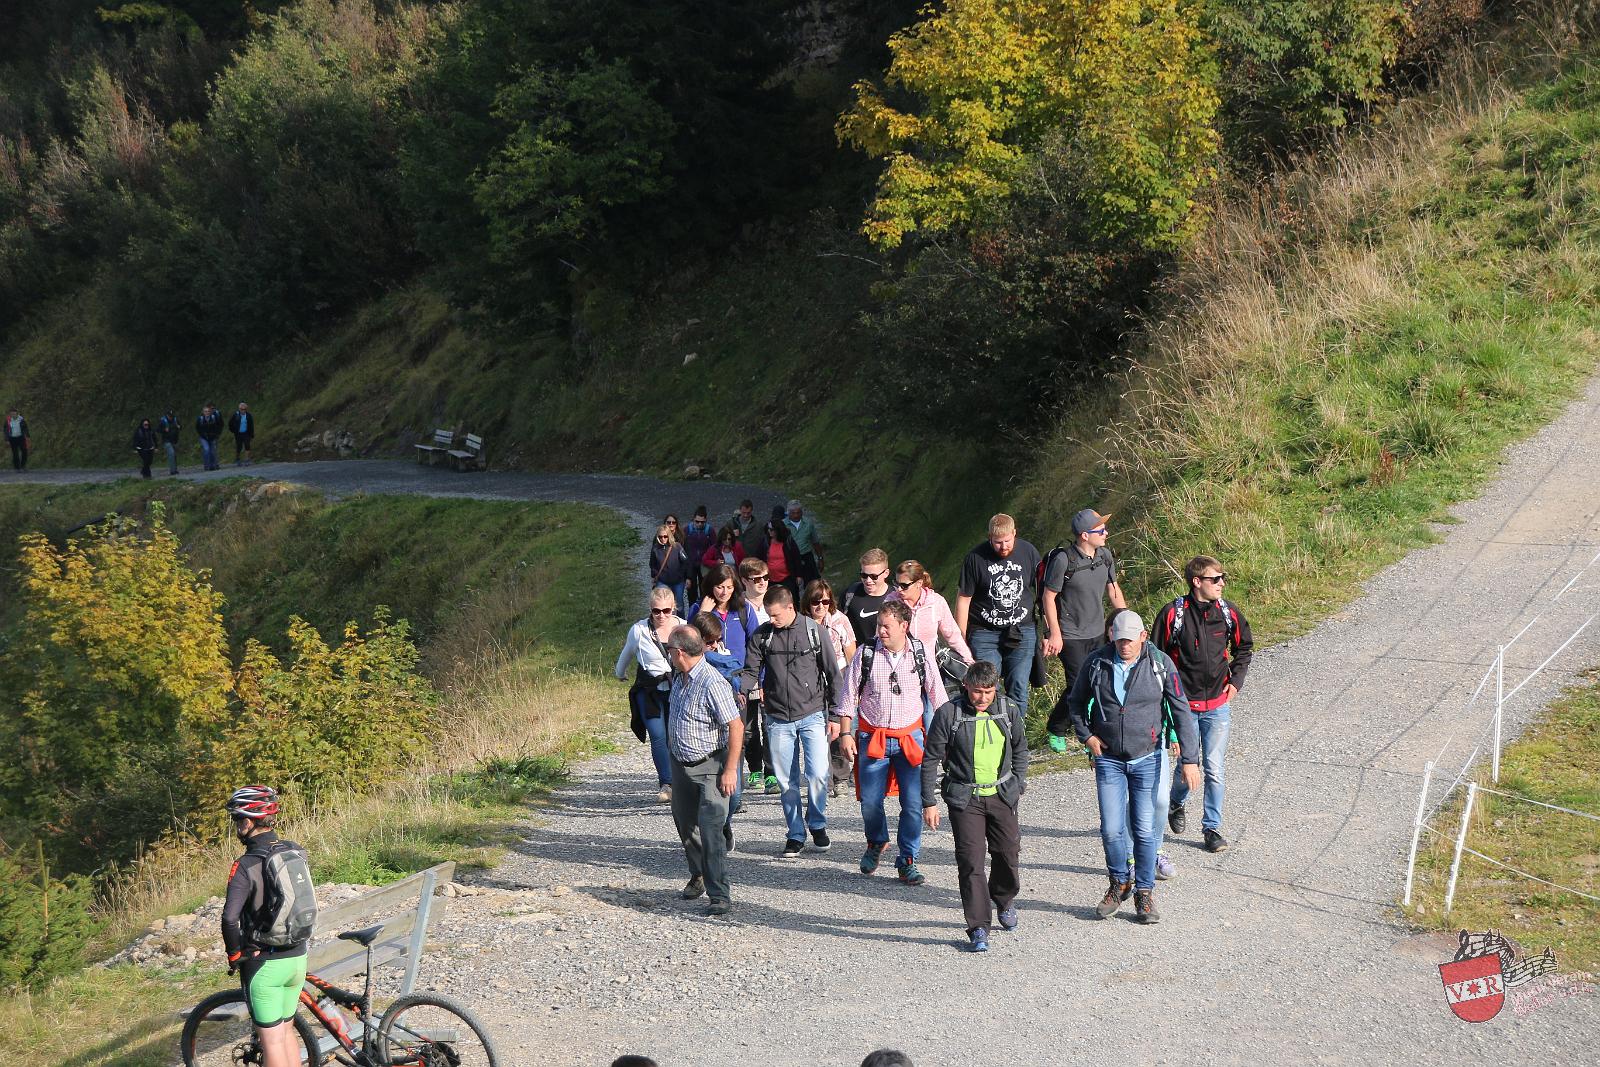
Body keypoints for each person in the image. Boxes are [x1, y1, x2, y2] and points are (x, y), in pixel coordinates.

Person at [1066, 611, 1201, 925]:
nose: (1124, 645)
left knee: (1143, 829)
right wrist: (1087, 737)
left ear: (1143, 637)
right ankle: (1119, 883)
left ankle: (1144, 892)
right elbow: (1075, 702)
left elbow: (1180, 710)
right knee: (1111, 829)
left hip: (1147, 758)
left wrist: (1190, 760)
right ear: (1111, 636)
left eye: (1130, 639)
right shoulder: (1096, 663)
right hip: (1109, 759)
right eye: (1119, 639)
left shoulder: (1160, 664)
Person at [838, 599, 947, 885]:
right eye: (878, 625)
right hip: (872, 737)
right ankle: (876, 841)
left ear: (904, 626)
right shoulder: (865, 653)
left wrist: (948, 736)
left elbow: (939, 697)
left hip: (910, 739)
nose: (881, 631)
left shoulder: (921, 654)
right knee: (869, 801)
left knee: (913, 803)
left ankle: (907, 860)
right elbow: (848, 696)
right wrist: (846, 733)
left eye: (886, 626)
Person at [921, 661, 1027, 952]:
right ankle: (979, 926)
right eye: (977, 691)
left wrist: (1018, 783)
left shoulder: (1008, 710)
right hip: (964, 798)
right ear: (966, 686)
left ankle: (1004, 898)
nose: (982, 698)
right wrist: (929, 802)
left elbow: (1020, 747)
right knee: (970, 862)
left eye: (988, 692)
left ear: (996, 688)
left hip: (1002, 794)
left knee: (1008, 853)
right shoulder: (948, 713)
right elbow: (930, 759)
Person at [1152, 555, 1254, 854]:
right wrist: (1166, 704)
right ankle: (1176, 801)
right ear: (1197, 582)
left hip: (1218, 705)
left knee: (1215, 768)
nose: (1222, 583)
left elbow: (1245, 647)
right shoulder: (1173, 614)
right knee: (1188, 765)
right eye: (1215, 579)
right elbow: (1155, 658)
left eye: (1223, 577)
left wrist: (1236, 681)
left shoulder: (1227, 612)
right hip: (1183, 707)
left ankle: (1212, 829)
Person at [740, 584, 842, 858]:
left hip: (813, 714)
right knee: (786, 781)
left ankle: (817, 823)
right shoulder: (762, 635)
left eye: (776, 615)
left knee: (818, 774)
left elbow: (833, 675)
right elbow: (751, 671)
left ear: (790, 608)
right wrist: (740, 692)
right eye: (768, 615)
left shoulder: (814, 632)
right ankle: (795, 834)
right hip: (777, 718)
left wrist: (835, 715)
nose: (772, 620)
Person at [220, 786, 310, 1067]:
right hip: (297, 958)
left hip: (265, 965)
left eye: (237, 819)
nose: (236, 825)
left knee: (271, 1042)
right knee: (286, 1033)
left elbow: (229, 919)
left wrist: (235, 955)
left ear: (248, 821)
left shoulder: (246, 864)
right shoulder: (295, 850)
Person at [665, 626, 744, 916]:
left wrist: (730, 770)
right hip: (681, 764)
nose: (668, 654)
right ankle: (698, 874)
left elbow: (736, 726)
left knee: (711, 831)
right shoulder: (679, 676)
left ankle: (719, 895)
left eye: (669, 650)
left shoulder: (712, 682)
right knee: (686, 825)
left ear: (679, 652)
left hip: (711, 767)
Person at [1042, 508, 1127, 751]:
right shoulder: (1063, 561)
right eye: (1101, 530)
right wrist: (1055, 633)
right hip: (1071, 635)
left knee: (1101, 681)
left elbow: (1113, 589)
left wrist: (1125, 621)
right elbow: (1049, 597)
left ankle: (1094, 729)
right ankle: (1059, 728)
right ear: (1084, 535)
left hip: (1098, 631)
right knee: (1079, 684)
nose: (1106, 533)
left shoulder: (1105, 555)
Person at [955, 514, 1042, 709]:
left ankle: (1016, 727)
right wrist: (960, 639)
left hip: (1022, 629)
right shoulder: (975, 559)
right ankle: (994, 725)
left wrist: (1049, 630)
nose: (1003, 547)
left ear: (1014, 533)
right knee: (988, 687)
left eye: (1007, 541)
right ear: (989, 537)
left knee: (1019, 686)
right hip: (984, 632)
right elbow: (963, 600)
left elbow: (1042, 591)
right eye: (998, 542)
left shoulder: (1028, 551)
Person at [615, 587, 683, 802]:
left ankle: (681, 781)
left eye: (666, 610)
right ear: (650, 610)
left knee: (675, 736)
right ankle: (667, 783)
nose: (661, 615)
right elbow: (627, 653)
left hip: (676, 690)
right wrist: (620, 673)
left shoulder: (683, 628)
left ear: (674, 608)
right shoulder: (639, 630)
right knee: (658, 736)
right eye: (656, 611)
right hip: (648, 691)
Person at [802, 579, 857, 798]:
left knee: (838, 725)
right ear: (808, 602)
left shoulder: (839, 620)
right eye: (816, 601)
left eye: (825, 601)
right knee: (817, 731)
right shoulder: (801, 623)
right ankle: (824, 779)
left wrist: (855, 685)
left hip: (838, 677)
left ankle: (841, 777)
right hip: (811, 681)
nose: (821, 606)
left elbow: (851, 654)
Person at [888, 559, 973, 669]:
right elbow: (881, 635)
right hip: (898, 667)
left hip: (929, 667)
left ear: (919, 583)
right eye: (896, 583)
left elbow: (953, 635)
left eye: (904, 585)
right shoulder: (891, 602)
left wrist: (969, 662)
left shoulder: (936, 602)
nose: (899, 589)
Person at [735, 558, 775, 791]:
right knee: (749, 727)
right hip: (748, 674)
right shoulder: (740, 606)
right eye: (756, 579)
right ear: (744, 581)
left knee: (770, 725)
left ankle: (771, 773)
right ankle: (755, 769)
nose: (762, 582)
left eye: (766, 577)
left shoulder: (776, 602)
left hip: (773, 675)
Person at [842, 548, 893, 646]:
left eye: (874, 576)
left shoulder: (896, 597)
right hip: (859, 653)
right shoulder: (850, 594)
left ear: (886, 573)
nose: (868, 580)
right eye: (864, 575)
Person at [649, 523, 692, 614]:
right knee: (662, 604)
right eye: (660, 537)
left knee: (679, 605)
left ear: (669, 536)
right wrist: (654, 575)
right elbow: (652, 564)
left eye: (665, 536)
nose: (663, 539)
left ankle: (681, 621)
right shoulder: (655, 549)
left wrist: (684, 576)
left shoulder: (677, 547)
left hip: (678, 581)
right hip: (662, 581)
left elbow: (686, 562)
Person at [758, 513, 801, 601]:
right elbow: (759, 557)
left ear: (778, 530)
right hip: (770, 579)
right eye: (768, 529)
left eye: (771, 530)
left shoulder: (788, 541)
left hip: (787, 578)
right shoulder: (765, 542)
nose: (769, 531)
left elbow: (796, 558)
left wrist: (798, 575)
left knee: (789, 600)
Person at [784, 499, 823, 588]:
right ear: (788, 513)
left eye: (798, 513)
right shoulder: (783, 525)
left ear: (802, 512)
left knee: (813, 584)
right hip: (790, 558)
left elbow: (815, 542)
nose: (796, 515)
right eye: (793, 513)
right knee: (791, 585)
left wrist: (820, 558)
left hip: (806, 556)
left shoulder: (808, 523)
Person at [682, 506, 717, 595]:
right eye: (697, 521)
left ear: (706, 520)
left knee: (705, 589)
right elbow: (682, 547)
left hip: (704, 564)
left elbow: (715, 548)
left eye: (702, 522)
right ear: (693, 519)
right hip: (691, 564)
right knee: (691, 591)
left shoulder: (710, 531)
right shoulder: (687, 530)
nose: (699, 524)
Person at [196, 403, 223, 471]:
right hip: (203, 437)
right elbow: (198, 428)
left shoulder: (213, 418)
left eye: (208, 411)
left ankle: (213, 465)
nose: (207, 413)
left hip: (212, 437)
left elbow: (218, 426)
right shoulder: (200, 419)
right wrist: (203, 435)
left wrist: (216, 435)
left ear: (210, 412)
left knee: (213, 451)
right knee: (206, 449)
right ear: (203, 412)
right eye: (205, 411)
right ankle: (206, 466)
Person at [158, 409, 181, 475]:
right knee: (171, 453)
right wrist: (164, 430)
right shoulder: (163, 421)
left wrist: (179, 427)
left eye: (172, 416)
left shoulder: (175, 420)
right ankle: (172, 471)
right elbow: (158, 430)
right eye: (169, 416)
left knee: (174, 455)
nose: (171, 417)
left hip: (174, 440)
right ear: (167, 415)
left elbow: (180, 427)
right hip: (166, 440)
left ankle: (175, 470)